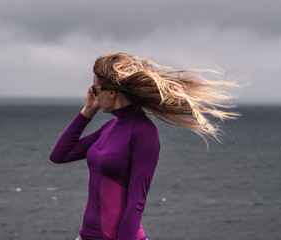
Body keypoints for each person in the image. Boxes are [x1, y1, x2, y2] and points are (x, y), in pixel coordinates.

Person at [49, 52, 239, 240]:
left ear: (112, 92)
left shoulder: (144, 133)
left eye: (96, 89)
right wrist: (87, 112)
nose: (93, 95)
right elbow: (59, 155)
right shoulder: (110, 127)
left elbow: (136, 201)